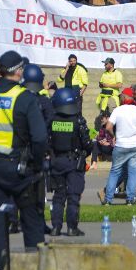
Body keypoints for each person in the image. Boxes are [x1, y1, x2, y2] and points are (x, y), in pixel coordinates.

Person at [0, 51, 47, 270]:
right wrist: (37, 164)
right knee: (32, 223)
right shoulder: (24, 97)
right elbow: (39, 138)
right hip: (19, 169)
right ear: (19, 71)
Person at [47, 87, 92, 236]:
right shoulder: (78, 121)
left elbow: (46, 141)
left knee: (58, 196)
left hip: (56, 161)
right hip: (73, 162)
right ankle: (72, 228)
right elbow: (87, 144)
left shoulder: (52, 120)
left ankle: (56, 227)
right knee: (73, 196)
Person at [97, 88, 136, 206]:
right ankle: (130, 199)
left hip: (121, 145)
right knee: (133, 172)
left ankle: (108, 199)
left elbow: (108, 127)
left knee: (115, 171)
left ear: (124, 97)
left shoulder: (118, 110)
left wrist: (114, 136)